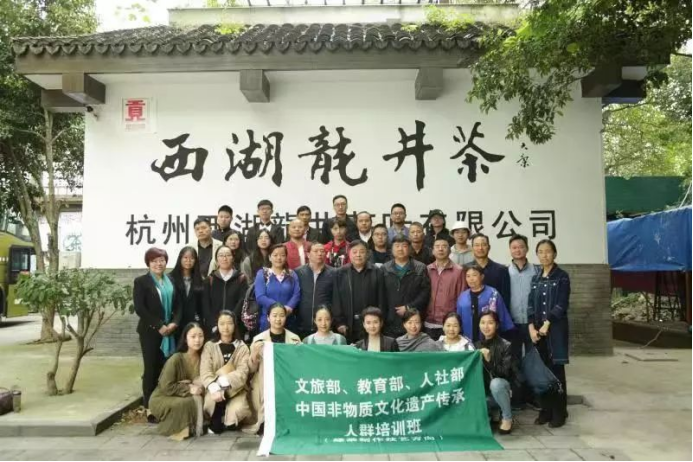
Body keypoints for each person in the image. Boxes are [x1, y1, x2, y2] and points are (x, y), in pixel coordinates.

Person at [133, 247, 182, 422]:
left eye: (161, 260)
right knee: (151, 369)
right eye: (154, 261)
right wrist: (159, 325)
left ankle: (164, 403)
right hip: (150, 332)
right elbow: (140, 308)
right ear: (148, 263)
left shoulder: (171, 280)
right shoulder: (141, 281)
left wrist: (174, 322)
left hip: (170, 331)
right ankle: (149, 407)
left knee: (165, 368)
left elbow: (178, 305)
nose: (158, 264)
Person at [528, 239, 571, 429]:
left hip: (556, 331)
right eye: (540, 252)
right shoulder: (536, 278)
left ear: (554, 254)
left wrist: (547, 324)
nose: (544, 255)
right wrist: (531, 327)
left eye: (548, 251)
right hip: (538, 332)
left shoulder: (562, 277)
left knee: (556, 371)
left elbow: (562, 304)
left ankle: (560, 412)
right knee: (541, 372)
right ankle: (545, 410)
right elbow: (530, 304)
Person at [244, 303, 301, 435]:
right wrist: (254, 355)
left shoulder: (294, 339)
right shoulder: (258, 339)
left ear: (286, 317)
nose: (278, 319)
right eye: (274, 316)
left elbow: (299, 366)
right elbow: (251, 370)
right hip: (265, 381)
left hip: (287, 381)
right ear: (268, 318)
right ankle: (265, 421)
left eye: (281, 315)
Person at [148, 322, 206, 440]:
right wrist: (189, 388)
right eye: (193, 336)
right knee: (187, 402)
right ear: (185, 339)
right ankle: (179, 428)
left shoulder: (204, 358)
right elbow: (166, 386)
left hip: (186, 395)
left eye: (200, 336)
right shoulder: (176, 358)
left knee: (195, 399)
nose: (197, 340)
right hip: (163, 396)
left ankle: (193, 425)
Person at [200, 311, 251, 435]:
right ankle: (217, 416)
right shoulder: (210, 346)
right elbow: (205, 371)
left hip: (236, 390)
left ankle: (225, 418)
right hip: (214, 389)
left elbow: (242, 372)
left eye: (229, 323)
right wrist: (215, 387)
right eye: (222, 324)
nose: (226, 327)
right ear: (217, 325)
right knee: (210, 404)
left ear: (235, 325)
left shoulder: (242, 347)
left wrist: (222, 383)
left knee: (235, 417)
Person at [333, 241, 386, 343]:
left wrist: (379, 321)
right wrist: (340, 322)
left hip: (371, 324)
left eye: (362, 251)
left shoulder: (376, 272)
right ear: (349, 253)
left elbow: (381, 300)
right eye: (354, 252)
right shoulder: (340, 273)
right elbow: (336, 299)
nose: (358, 255)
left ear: (367, 254)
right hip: (348, 324)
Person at [475, 311, 518, 435]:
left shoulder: (506, 345)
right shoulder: (476, 345)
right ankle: (492, 413)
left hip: (503, 390)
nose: (486, 326)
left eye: (490, 323)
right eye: (483, 322)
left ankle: (507, 417)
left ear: (497, 325)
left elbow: (505, 373)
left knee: (496, 383)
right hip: (484, 393)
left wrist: (489, 360)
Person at [382, 235, 431, 338]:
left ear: (409, 248)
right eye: (397, 246)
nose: (400, 249)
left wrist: (409, 307)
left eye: (404, 246)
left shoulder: (420, 268)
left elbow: (425, 293)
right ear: (391, 249)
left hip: (413, 319)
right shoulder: (384, 268)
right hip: (390, 319)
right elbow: (380, 294)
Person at [456, 264, 515, 342]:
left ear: (482, 276)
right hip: (467, 339)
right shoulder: (462, 296)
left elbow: (503, 317)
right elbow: (458, 320)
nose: (471, 279)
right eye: (468, 276)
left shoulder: (493, 293)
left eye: (474, 275)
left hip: (489, 339)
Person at [425, 237, 466, 340]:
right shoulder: (427, 269)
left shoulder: (458, 271)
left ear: (450, 250)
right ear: (433, 251)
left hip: (449, 324)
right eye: (437, 246)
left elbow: (462, 298)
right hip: (428, 322)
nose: (440, 249)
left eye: (444, 246)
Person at [203, 246, 248, 335]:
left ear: (233, 258)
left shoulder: (241, 278)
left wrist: (231, 320)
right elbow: (206, 304)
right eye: (221, 255)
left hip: (235, 324)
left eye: (228, 255)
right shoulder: (210, 279)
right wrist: (213, 324)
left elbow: (242, 301)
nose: (224, 258)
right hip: (214, 327)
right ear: (216, 259)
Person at [255, 244, 301, 333]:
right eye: (275, 255)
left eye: (282, 255)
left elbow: (297, 294)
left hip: (288, 318)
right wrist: (279, 308)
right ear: (269, 257)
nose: (279, 258)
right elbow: (260, 296)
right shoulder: (263, 274)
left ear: (286, 257)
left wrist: (289, 307)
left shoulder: (292, 274)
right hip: (268, 320)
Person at [295, 243, 336, 339]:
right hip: (302, 324)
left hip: (325, 324)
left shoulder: (334, 273)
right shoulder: (298, 272)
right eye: (316, 251)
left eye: (322, 251)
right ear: (308, 254)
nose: (319, 254)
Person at [508, 234, 537, 357]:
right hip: (512, 321)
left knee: (534, 354)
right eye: (514, 247)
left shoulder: (536, 271)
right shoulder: (505, 272)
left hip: (532, 321)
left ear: (527, 248)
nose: (517, 250)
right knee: (514, 355)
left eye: (521, 247)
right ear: (510, 250)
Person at [168, 247, 204, 332]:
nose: (188, 261)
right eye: (185, 257)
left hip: (193, 323)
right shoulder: (169, 278)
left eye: (192, 258)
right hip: (174, 322)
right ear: (180, 259)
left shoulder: (201, 279)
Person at [471, 233, 511, 308]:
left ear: (489, 247)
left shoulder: (501, 270)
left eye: (484, 245)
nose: (480, 248)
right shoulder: (465, 270)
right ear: (472, 248)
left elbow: (505, 299)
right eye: (477, 245)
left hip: (495, 313)